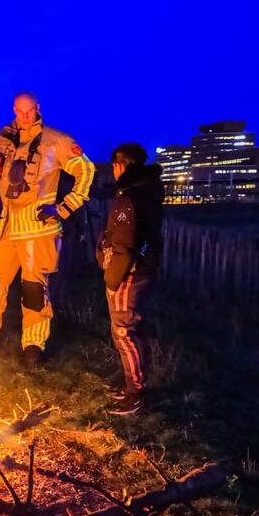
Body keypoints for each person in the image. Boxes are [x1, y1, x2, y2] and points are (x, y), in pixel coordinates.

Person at [0, 91, 95, 368]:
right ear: (14, 110)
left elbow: (86, 171)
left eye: (29, 111)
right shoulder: (3, 141)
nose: (24, 116)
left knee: (34, 291)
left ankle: (34, 345)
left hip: (37, 231)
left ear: (37, 108)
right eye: (19, 111)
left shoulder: (56, 141)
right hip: (4, 229)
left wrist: (62, 208)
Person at [96, 143, 163, 415]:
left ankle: (135, 394)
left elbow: (124, 245)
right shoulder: (147, 194)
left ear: (121, 165)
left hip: (129, 275)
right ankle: (132, 385)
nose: (113, 170)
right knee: (130, 330)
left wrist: (112, 279)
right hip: (142, 270)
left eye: (114, 165)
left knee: (123, 332)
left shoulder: (129, 198)